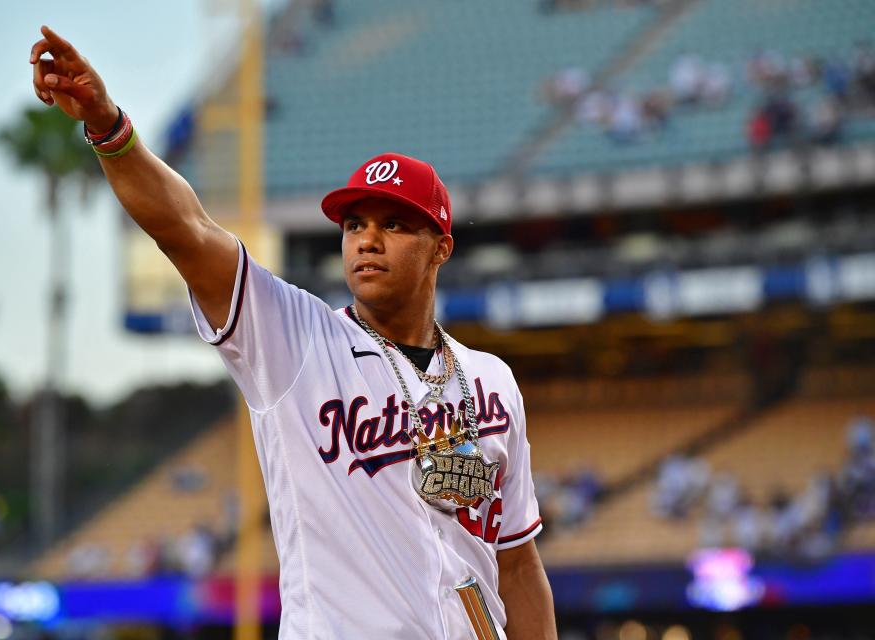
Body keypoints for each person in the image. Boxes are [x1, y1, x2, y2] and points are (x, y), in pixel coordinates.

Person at [29, 25, 558, 640]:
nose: (367, 238)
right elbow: (187, 230)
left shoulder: (490, 381)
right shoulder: (293, 340)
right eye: (354, 223)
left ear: (441, 247)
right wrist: (108, 127)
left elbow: (518, 566)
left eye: (394, 223)